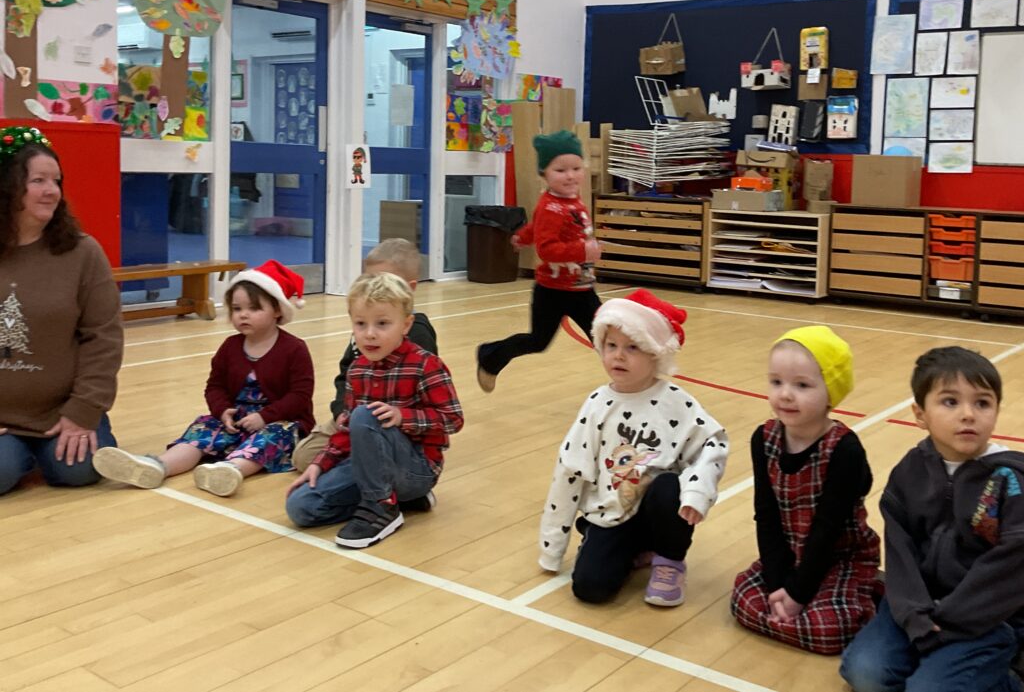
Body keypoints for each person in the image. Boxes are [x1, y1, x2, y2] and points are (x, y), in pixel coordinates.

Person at [841, 346, 1024, 692]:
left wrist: (952, 618)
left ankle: (1016, 672)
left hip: (986, 617)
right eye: (950, 402)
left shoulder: (1010, 480)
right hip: (918, 607)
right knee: (866, 674)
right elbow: (900, 551)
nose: (968, 414)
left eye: (982, 403)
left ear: (997, 411)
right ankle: (939, 662)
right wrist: (913, 613)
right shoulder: (909, 471)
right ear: (920, 414)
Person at [538, 289, 728, 607]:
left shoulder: (675, 402)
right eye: (611, 345)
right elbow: (569, 469)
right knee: (589, 589)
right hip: (611, 515)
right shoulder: (597, 405)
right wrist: (552, 546)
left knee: (668, 486)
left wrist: (698, 491)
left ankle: (669, 561)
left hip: (659, 512)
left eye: (632, 347)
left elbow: (714, 442)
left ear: (656, 353)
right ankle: (630, 551)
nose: (618, 356)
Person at [94, 261, 315, 497]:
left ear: (278, 310)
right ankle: (158, 466)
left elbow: (300, 396)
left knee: (271, 437)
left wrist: (264, 417)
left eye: (254, 308)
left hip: (280, 421)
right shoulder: (230, 347)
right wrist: (222, 411)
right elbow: (215, 387)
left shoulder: (294, 349)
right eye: (237, 309)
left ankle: (231, 470)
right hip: (237, 421)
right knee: (202, 430)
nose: (243, 315)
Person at [730, 326, 881, 654]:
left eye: (802, 385)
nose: (785, 394)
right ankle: (802, 605)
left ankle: (869, 589)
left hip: (838, 556)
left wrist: (797, 594)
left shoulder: (844, 449)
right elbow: (766, 516)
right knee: (743, 598)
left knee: (830, 629)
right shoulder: (763, 439)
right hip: (789, 554)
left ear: (831, 393)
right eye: (776, 382)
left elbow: (828, 530)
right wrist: (778, 584)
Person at [286, 272, 463, 549]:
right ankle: (398, 501)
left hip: (417, 470)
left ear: (406, 325)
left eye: (382, 324)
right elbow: (347, 429)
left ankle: (382, 509)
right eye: (360, 324)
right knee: (300, 507)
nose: (369, 333)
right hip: (369, 467)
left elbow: (453, 419)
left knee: (366, 415)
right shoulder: (357, 370)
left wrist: (403, 417)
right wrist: (320, 463)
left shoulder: (426, 365)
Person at [0, 126, 123, 495]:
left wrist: (83, 412)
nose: (52, 190)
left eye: (56, 181)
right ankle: (20, 455)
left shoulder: (83, 253)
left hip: (62, 410)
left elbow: (104, 338)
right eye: (38, 180)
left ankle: (42, 451)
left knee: (77, 471)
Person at [291, 238, 438, 473]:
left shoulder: (418, 333)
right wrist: (341, 412)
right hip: (355, 416)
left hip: (395, 427)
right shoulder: (366, 331)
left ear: (410, 288)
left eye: (386, 281)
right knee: (303, 457)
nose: (375, 289)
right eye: (369, 280)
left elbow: (429, 401)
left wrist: (395, 418)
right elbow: (345, 375)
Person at [476, 130, 601, 393]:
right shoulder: (550, 206)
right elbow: (547, 249)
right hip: (553, 291)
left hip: (581, 288)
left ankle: (630, 383)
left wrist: (523, 236)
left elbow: (539, 227)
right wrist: (583, 250)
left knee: (603, 337)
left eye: (576, 168)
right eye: (560, 170)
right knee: (538, 341)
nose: (570, 176)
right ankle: (491, 356)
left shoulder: (570, 200)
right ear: (544, 173)